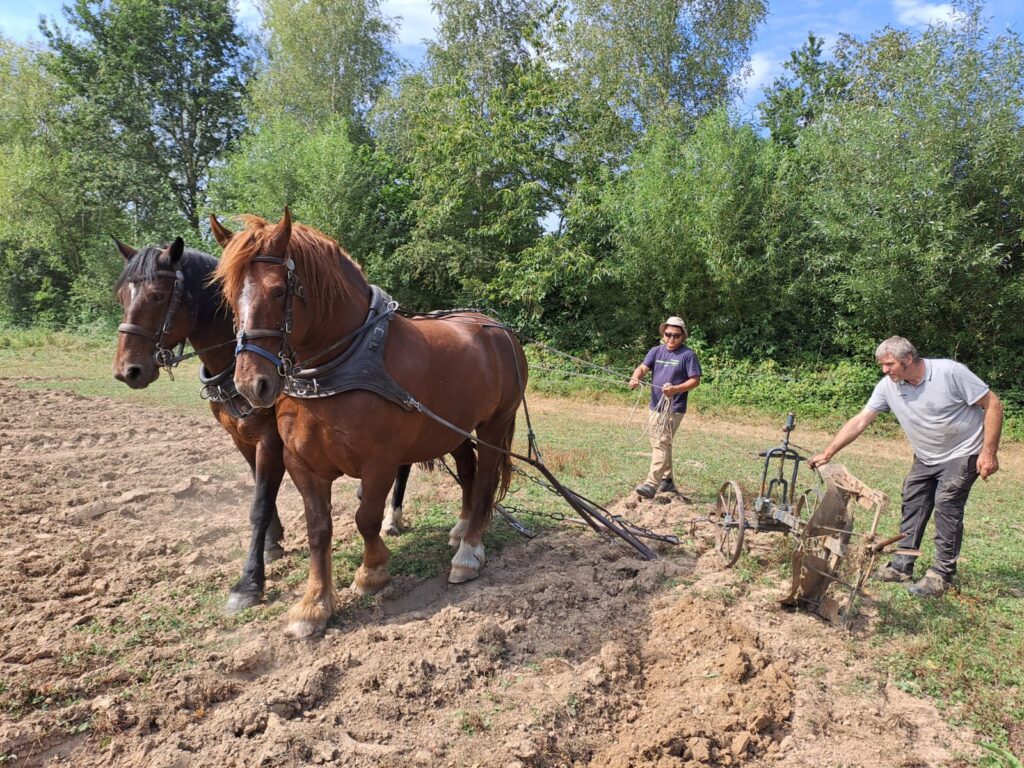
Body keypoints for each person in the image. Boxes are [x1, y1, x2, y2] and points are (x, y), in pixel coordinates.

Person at [808, 336, 1003, 597]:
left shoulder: (950, 372)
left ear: (908, 359)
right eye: (882, 365)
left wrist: (988, 453)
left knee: (946, 505)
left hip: (963, 452)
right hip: (926, 456)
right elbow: (860, 421)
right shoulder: (888, 386)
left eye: (889, 364)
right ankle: (902, 565)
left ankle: (941, 575)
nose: (884, 370)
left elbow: (993, 404)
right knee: (913, 501)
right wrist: (829, 451)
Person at [628, 316, 702, 499]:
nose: (671, 338)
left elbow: (695, 380)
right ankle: (667, 480)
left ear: (682, 336)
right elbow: (643, 368)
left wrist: (676, 389)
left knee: (661, 441)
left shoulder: (688, 355)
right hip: (655, 405)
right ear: (663, 334)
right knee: (661, 442)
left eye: (676, 335)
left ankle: (652, 484)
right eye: (668, 334)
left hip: (674, 407)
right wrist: (636, 377)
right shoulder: (656, 351)